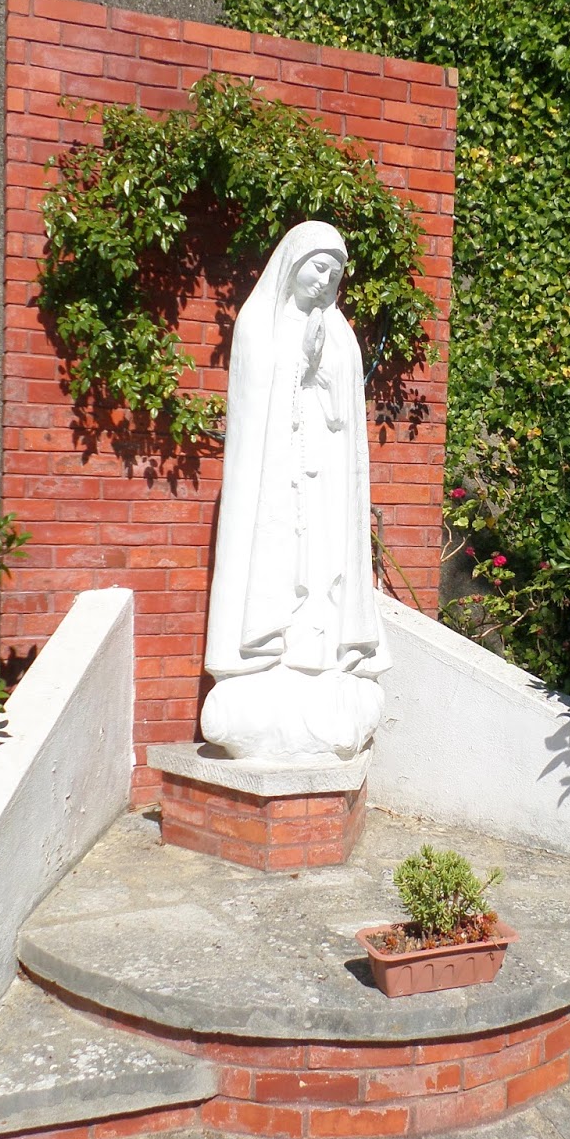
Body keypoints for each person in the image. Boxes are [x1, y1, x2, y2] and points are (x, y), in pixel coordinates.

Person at [201, 220, 389, 761]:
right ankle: (270, 654)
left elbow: (344, 413)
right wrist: (299, 363)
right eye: (318, 267)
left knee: (323, 561)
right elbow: (254, 404)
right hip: (277, 478)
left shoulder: (341, 333)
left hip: (325, 473)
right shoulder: (259, 323)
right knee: (281, 562)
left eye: (335, 273)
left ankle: (320, 658)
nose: (325, 280)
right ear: (292, 264)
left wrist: (324, 376)